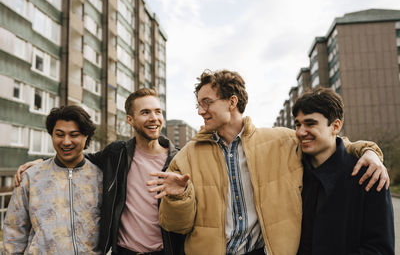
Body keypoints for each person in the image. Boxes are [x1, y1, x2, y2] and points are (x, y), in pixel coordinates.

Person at [147, 70, 388, 255]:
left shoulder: (280, 141)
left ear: (232, 102)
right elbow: (174, 226)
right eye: (198, 104)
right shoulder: (186, 157)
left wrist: (368, 151)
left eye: (207, 102)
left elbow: (329, 142)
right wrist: (178, 199)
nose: (200, 110)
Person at [14, 88, 184, 255]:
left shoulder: (179, 160)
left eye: (158, 112)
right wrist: (42, 162)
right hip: (124, 251)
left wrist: (183, 193)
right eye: (145, 112)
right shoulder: (116, 154)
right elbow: (79, 157)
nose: (154, 118)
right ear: (130, 120)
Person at [293, 88, 394, 255]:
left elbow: (379, 249)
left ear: (335, 126)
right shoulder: (292, 172)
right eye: (297, 124)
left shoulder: (369, 174)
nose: (300, 132)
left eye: (310, 123)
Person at [4, 105, 102, 254]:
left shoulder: (101, 177)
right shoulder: (31, 177)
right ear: (52, 135)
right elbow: (14, 230)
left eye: (74, 134)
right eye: (60, 134)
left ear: (86, 136)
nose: (66, 141)